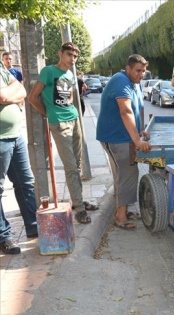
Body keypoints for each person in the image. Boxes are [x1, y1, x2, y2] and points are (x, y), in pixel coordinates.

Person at [28, 42, 98, 225]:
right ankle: (80, 209)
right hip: (59, 124)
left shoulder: (70, 74)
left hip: (74, 120)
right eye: (69, 55)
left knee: (77, 164)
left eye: (75, 56)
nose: (72, 59)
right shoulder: (49, 71)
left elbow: (70, 98)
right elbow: (33, 98)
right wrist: (49, 113)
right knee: (71, 167)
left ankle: (78, 201)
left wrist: (73, 114)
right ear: (60, 53)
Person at [96, 54, 151, 230]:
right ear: (128, 68)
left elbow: (139, 107)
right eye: (138, 70)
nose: (141, 74)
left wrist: (141, 130)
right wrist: (137, 141)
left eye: (143, 71)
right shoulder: (120, 81)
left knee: (123, 175)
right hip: (115, 137)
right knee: (127, 174)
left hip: (123, 136)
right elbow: (126, 111)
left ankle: (124, 211)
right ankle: (120, 217)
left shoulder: (135, 83)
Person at [0, 61, 37, 254]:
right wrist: (10, 93)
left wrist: (10, 93)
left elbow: (21, 90)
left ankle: (33, 226)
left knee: (26, 183)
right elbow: (3, 95)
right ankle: (4, 236)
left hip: (15, 135)